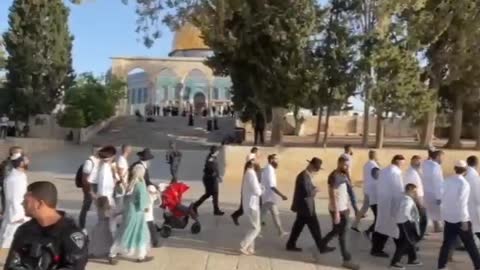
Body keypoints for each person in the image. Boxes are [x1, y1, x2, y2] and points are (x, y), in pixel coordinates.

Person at [4, 181, 88, 270]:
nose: (22, 203)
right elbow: (11, 265)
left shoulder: (72, 234)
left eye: (26, 200)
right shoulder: (24, 230)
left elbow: (74, 267)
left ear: (40, 204)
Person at [286, 158, 334, 253]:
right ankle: (321, 247)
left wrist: (314, 188)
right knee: (315, 228)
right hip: (306, 207)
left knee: (298, 227)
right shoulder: (304, 176)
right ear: (311, 166)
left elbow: (308, 188)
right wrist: (315, 190)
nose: (316, 171)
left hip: (303, 207)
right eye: (316, 169)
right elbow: (308, 193)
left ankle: (290, 244)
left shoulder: (306, 176)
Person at [438, 160, 480, 270]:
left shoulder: (447, 181)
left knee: (447, 244)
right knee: (470, 245)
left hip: (449, 217)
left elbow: (442, 197)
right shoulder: (464, 184)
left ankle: (441, 266)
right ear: (465, 170)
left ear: (455, 168)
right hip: (460, 219)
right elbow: (462, 203)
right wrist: (464, 220)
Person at [320, 157, 360, 270]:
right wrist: (337, 212)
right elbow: (332, 194)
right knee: (343, 234)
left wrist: (351, 206)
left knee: (336, 230)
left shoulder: (344, 174)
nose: (347, 167)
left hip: (344, 208)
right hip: (337, 210)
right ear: (339, 163)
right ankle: (346, 260)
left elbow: (347, 191)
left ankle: (322, 244)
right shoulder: (334, 176)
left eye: (348, 165)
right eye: (345, 165)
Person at [109, 165, 152, 264]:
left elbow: (127, 198)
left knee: (124, 232)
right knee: (141, 233)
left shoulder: (131, 184)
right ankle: (141, 255)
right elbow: (143, 200)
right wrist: (145, 207)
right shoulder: (140, 184)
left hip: (129, 212)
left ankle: (113, 254)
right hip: (137, 213)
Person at [371, 155, 406, 258]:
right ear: (397, 161)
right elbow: (398, 189)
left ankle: (404, 248)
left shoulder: (385, 170)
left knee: (386, 227)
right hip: (391, 204)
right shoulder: (395, 172)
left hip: (383, 203)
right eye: (402, 163)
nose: (403, 165)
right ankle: (377, 250)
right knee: (391, 227)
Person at [390, 184, 422, 269]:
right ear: (410, 190)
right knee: (405, 242)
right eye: (414, 191)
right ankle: (395, 262)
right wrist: (411, 219)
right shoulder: (408, 200)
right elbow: (405, 212)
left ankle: (412, 259)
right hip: (405, 222)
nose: (415, 193)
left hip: (401, 222)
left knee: (411, 241)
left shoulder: (403, 197)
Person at [0, 154, 29, 248]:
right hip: (15, 216)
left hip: (18, 214)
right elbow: (13, 198)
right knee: (8, 239)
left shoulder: (19, 176)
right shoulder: (14, 179)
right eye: (25, 159)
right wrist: (17, 216)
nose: (28, 160)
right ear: (21, 163)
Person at [239, 161, 264, 255]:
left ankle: (250, 248)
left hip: (248, 204)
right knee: (256, 228)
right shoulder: (251, 174)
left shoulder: (247, 173)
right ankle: (244, 245)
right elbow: (257, 192)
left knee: (252, 226)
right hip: (252, 205)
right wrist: (262, 189)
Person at [261, 154, 288, 237]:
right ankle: (256, 231)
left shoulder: (269, 169)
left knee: (268, 213)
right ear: (271, 160)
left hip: (268, 196)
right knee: (270, 214)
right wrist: (282, 195)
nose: (278, 161)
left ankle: (280, 231)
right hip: (269, 196)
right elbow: (272, 186)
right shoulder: (269, 170)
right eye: (276, 160)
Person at [351, 150, 379, 232]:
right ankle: (372, 229)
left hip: (367, 189)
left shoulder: (366, 164)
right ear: (375, 156)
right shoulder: (374, 165)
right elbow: (377, 176)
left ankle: (355, 224)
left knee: (364, 208)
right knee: (377, 211)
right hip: (373, 191)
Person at [192, 146, 224, 216]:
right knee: (211, 193)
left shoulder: (213, 157)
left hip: (212, 178)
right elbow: (209, 166)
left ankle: (215, 209)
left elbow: (215, 168)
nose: (218, 152)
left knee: (212, 194)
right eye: (216, 151)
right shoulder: (211, 158)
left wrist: (218, 176)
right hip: (210, 179)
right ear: (214, 152)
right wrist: (215, 174)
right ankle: (194, 206)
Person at [404, 155, 427, 239]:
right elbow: (413, 189)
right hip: (416, 198)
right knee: (422, 218)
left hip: (418, 197)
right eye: (418, 161)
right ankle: (418, 235)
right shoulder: (411, 173)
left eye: (420, 161)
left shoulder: (415, 171)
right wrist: (419, 202)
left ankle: (419, 233)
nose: (420, 163)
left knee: (420, 218)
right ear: (412, 161)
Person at [78, 146, 100, 230]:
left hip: (97, 186)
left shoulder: (99, 161)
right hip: (90, 186)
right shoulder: (89, 162)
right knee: (86, 206)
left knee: (99, 207)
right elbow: (85, 178)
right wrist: (89, 190)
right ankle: (82, 226)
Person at [421, 149, 444, 233]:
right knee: (437, 211)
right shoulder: (436, 167)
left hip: (426, 191)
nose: (442, 159)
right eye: (441, 157)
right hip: (434, 192)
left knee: (430, 211)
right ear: (437, 157)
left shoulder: (425, 164)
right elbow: (437, 182)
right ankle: (436, 227)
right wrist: (439, 196)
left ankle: (436, 227)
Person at [0, 146, 23, 215]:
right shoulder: (9, 163)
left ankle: (5, 212)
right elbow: (3, 175)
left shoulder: (8, 162)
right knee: (9, 200)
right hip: (9, 186)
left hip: (11, 186)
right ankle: (6, 213)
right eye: (18, 153)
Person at [340, 145, 359, 216]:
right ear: (349, 149)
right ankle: (356, 210)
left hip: (342, 177)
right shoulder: (347, 157)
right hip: (346, 178)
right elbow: (346, 169)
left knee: (345, 194)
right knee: (352, 195)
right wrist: (350, 180)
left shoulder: (342, 155)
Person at [465, 156, 480, 241]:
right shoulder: (475, 177)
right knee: (476, 227)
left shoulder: (465, 175)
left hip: (467, 205)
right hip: (474, 205)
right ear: (477, 164)